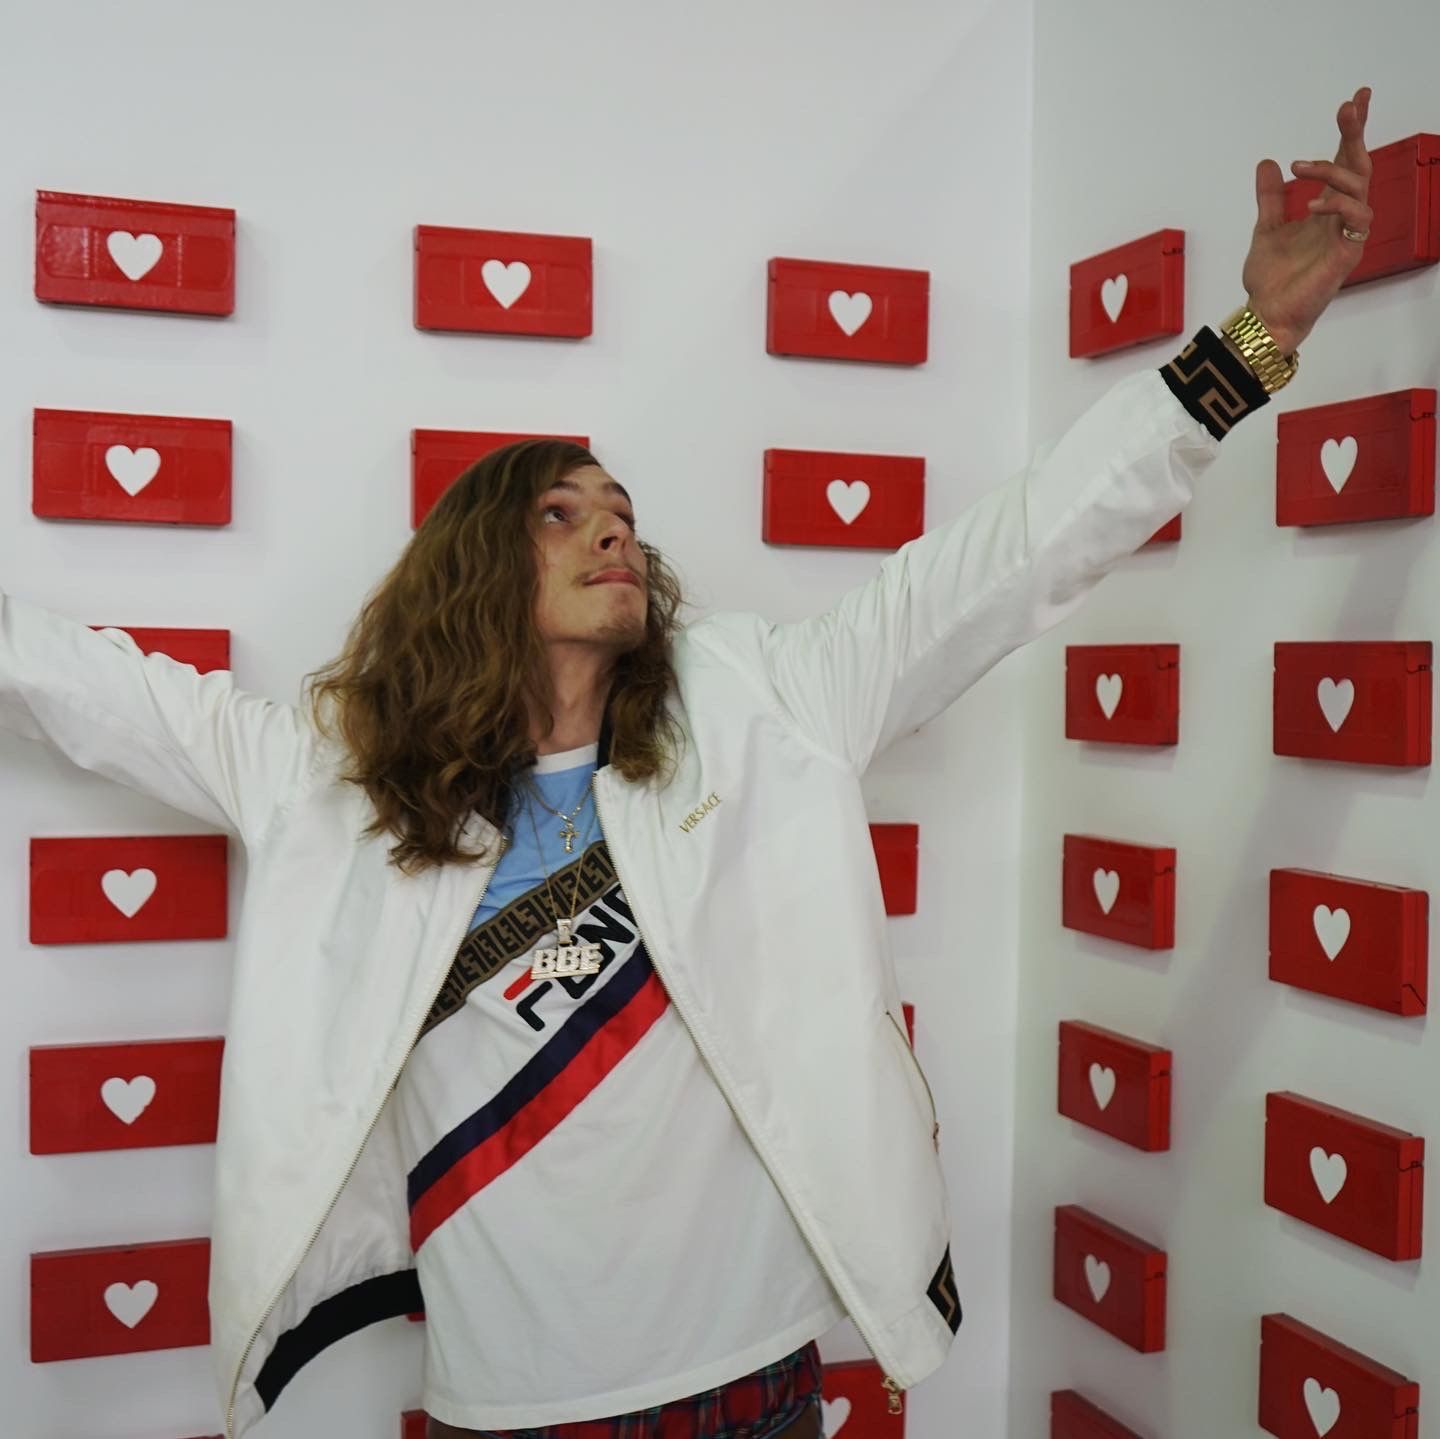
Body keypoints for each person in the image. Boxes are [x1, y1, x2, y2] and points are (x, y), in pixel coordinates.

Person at [1, 88, 1372, 1439]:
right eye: (559, 514)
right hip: (506, 1407)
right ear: (471, 568)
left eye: (621, 512)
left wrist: (1254, 341)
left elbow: (1019, 551)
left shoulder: (765, 700)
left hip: (754, 1385)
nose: (612, 532)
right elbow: (96, 693)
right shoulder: (335, 781)